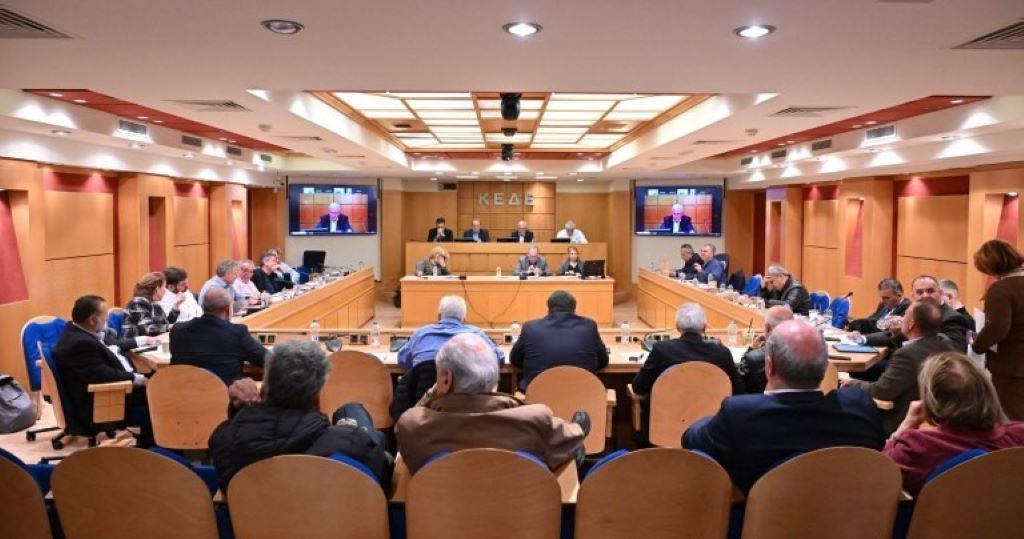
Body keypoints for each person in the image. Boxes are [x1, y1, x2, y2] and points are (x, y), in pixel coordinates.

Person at [683, 320, 885, 492]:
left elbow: (691, 440)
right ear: (825, 368)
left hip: (763, 521)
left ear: (769, 366)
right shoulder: (860, 408)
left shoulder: (740, 414)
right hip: (847, 520)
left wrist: (711, 419)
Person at [209, 340, 393, 490]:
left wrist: (240, 410)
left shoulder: (224, 441)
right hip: (329, 522)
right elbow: (382, 479)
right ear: (316, 399)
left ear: (263, 390)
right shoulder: (352, 444)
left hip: (251, 523)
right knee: (355, 414)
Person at [396, 333, 588, 474]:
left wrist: (436, 389)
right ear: (494, 379)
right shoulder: (536, 420)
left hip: (439, 517)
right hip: (520, 516)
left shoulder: (413, 426)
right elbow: (574, 437)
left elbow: (412, 418)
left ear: (446, 380)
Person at [883, 352, 1024, 496]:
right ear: (986, 390)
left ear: (931, 400)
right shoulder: (1019, 436)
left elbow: (879, 480)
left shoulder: (916, 447)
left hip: (935, 511)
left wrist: (905, 426)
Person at [52, 295, 154, 446]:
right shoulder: (80, 344)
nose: (107, 320)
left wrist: (143, 340)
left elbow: (112, 346)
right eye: (105, 316)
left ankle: (151, 442)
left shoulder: (81, 332)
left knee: (159, 379)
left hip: (115, 385)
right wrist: (138, 379)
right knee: (160, 394)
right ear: (92, 320)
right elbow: (104, 374)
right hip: (107, 399)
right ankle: (153, 445)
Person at [843, 299, 955, 434]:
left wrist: (852, 383)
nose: (901, 319)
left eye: (905, 314)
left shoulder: (908, 355)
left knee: (845, 403)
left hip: (902, 420)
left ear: (911, 323)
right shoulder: (944, 342)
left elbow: (881, 391)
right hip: (935, 417)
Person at [632, 304, 743, 436]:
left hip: (665, 429)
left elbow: (638, 387)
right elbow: (739, 391)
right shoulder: (722, 354)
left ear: (677, 326)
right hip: (711, 432)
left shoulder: (662, 350)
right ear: (704, 327)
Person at [170, 287, 268, 389]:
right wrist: (256, 343)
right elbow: (266, 359)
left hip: (183, 395)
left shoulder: (178, 330)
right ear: (228, 309)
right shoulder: (237, 332)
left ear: (203, 307)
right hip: (224, 396)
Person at [510, 290, 608, 391]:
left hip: (539, 395)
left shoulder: (530, 327)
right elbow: (603, 361)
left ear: (549, 309)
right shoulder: (589, 326)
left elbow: (515, 360)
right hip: (583, 394)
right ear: (574, 309)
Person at [971, 239, 1024, 420]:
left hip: (1013, 368)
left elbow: (998, 327)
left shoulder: (1002, 289)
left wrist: (977, 345)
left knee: (1016, 423)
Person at [853, 275, 971, 354]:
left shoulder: (953, 318)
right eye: (920, 292)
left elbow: (955, 353)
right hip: (907, 361)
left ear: (940, 293)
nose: (925, 295)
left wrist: (911, 335)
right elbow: (890, 335)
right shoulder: (917, 312)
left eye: (930, 291)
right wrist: (862, 339)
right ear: (913, 296)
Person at [397, 295, 504, 370]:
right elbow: (498, 359)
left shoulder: (420, 334)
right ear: (464, 320)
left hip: (425, 396)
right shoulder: (477, 335)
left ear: (439, 317)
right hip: (466, 395)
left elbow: (402, 360)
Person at [737, 305, 794, 394]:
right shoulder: (805, 353)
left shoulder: (752, 358)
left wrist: (751, 349)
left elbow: (738, 385)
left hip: (757, 401)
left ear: (767, 328)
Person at [123, 272, 178, 339]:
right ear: (157, 289)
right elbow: (148, 329)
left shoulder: (155, 305)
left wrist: (176, 306)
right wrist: (175, 327)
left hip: (154, 343)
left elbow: (165, 324)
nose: (165, 291)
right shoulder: (137, 303)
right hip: (138, 345)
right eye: (164, 287)